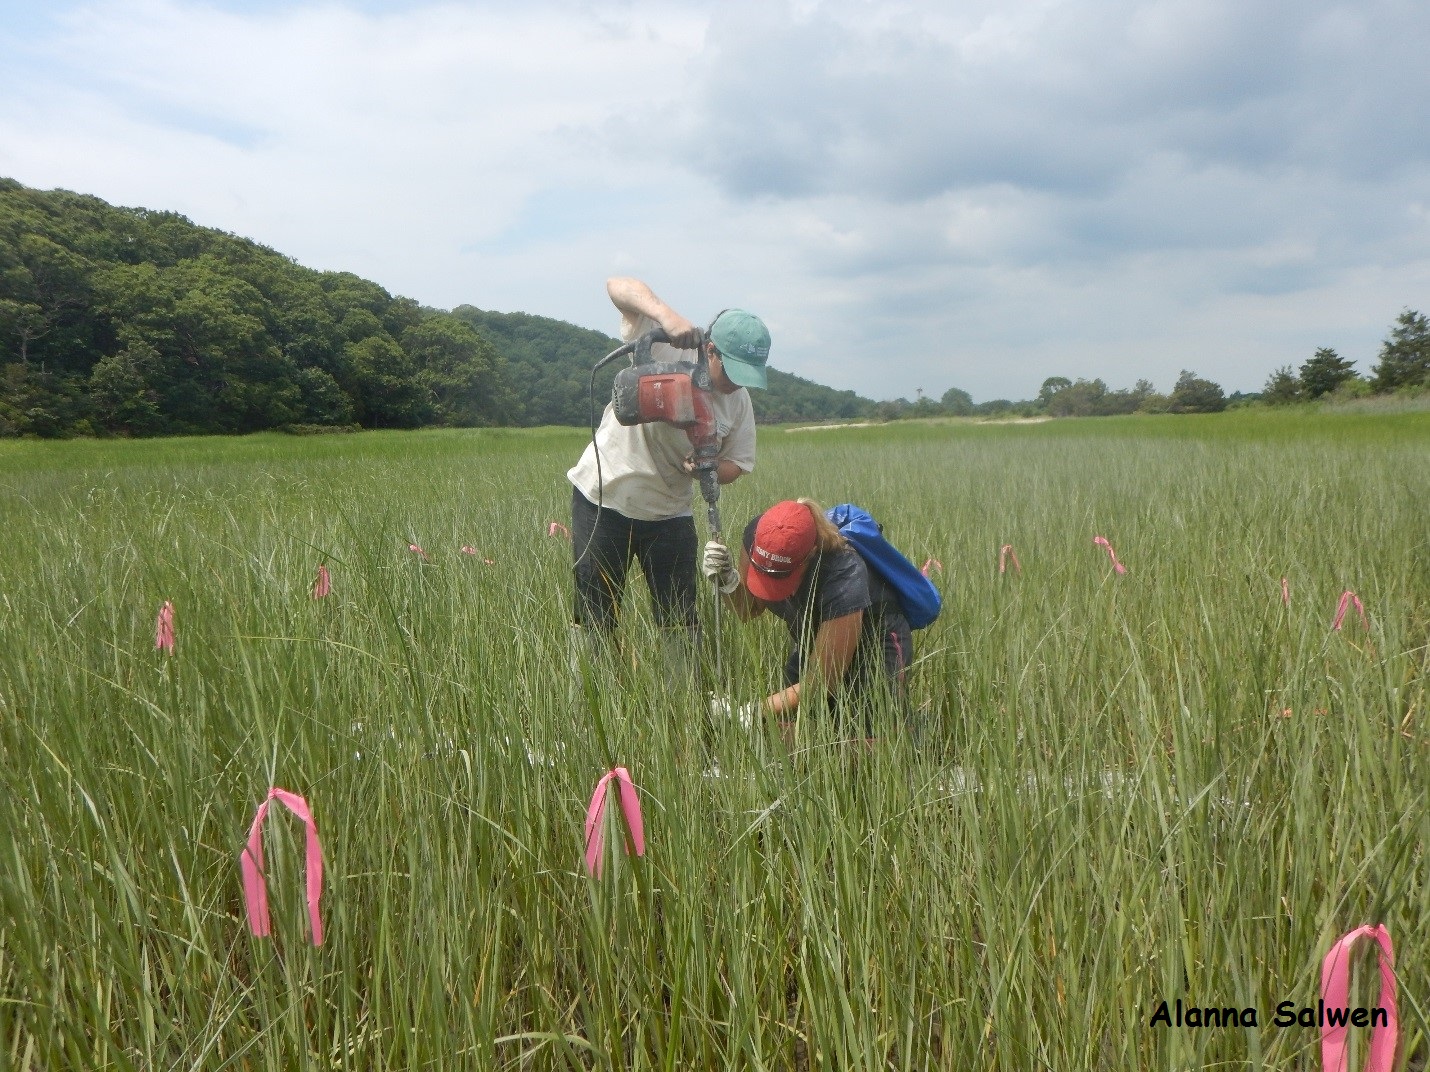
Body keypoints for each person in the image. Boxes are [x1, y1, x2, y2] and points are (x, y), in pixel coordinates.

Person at [567, 277, 771, 656]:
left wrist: (708, 468)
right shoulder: (667, 349)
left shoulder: (738, 403)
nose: (735, 385)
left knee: (680, 618)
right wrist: (666, 315)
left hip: (670, 514)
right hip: (604, 499)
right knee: (595, 615)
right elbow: (616, 285)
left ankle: (680, 706)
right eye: (731, 372)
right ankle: (591, 707)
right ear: (711, 350)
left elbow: (738, 465)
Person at [702, 499, 913, 729]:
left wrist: (751, 711)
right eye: (765, 576)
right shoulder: (757, 537)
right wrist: (727, 581)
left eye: (781, 579)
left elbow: (822, 681)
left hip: (875, 645)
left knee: (868, 735)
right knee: (790, 727)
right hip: (812, 637)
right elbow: (748, 609)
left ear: (810, 555)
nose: (777, 590)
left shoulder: (843, 574)